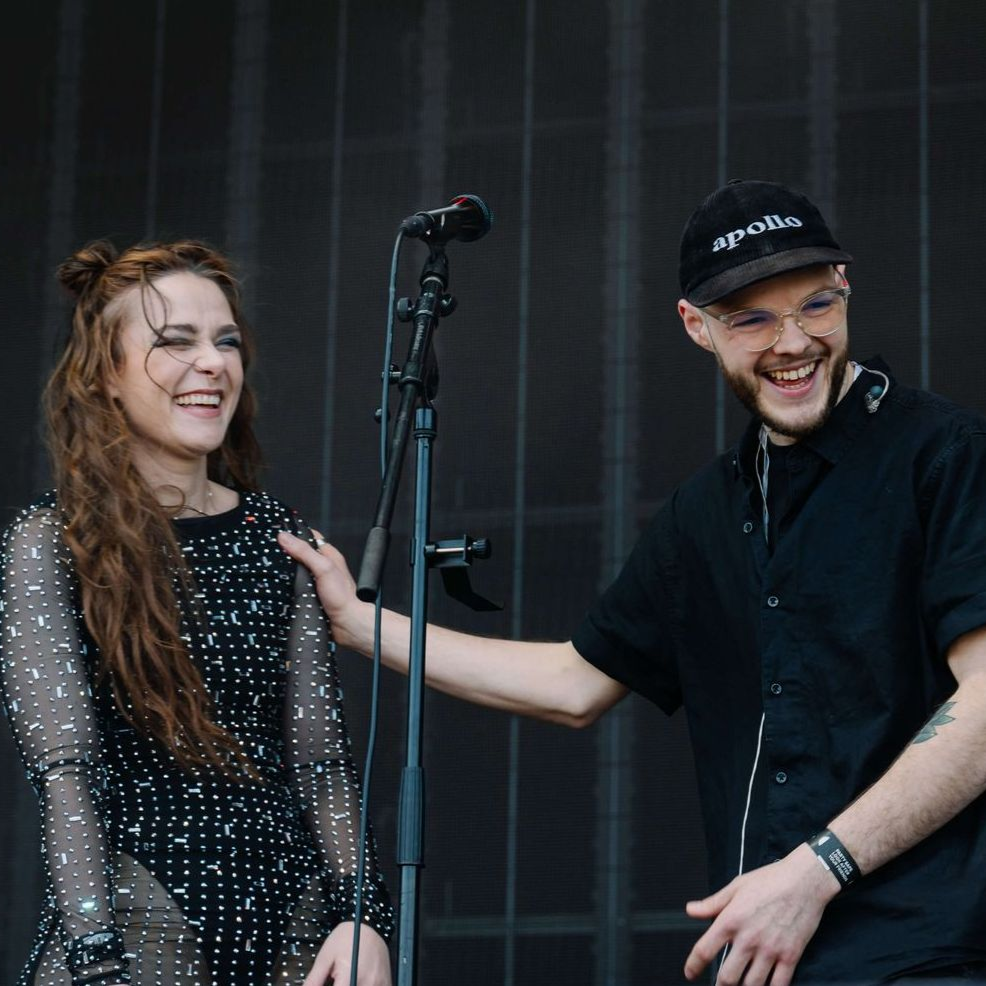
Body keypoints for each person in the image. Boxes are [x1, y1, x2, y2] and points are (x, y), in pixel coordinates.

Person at [279, 180, 986, 986]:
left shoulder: (945, 455)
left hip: (935, 957)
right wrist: (360, 624)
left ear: (846, 286)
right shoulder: (706, 513)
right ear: (696, 326)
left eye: (816, 306)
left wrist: (818, 868)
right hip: (771, 965)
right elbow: (574, 682)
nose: (793, 341)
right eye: (751, 319)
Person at [0, 241, 393, 986]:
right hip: (137, 920)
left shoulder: (279, 535)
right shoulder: (52, 541)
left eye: (227, 342)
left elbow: (321, 763)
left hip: (294, 924)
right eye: (175, 342)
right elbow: (66, 771)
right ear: (106, 375)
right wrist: (94, 955)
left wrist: (365, 914)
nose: (212, 363)